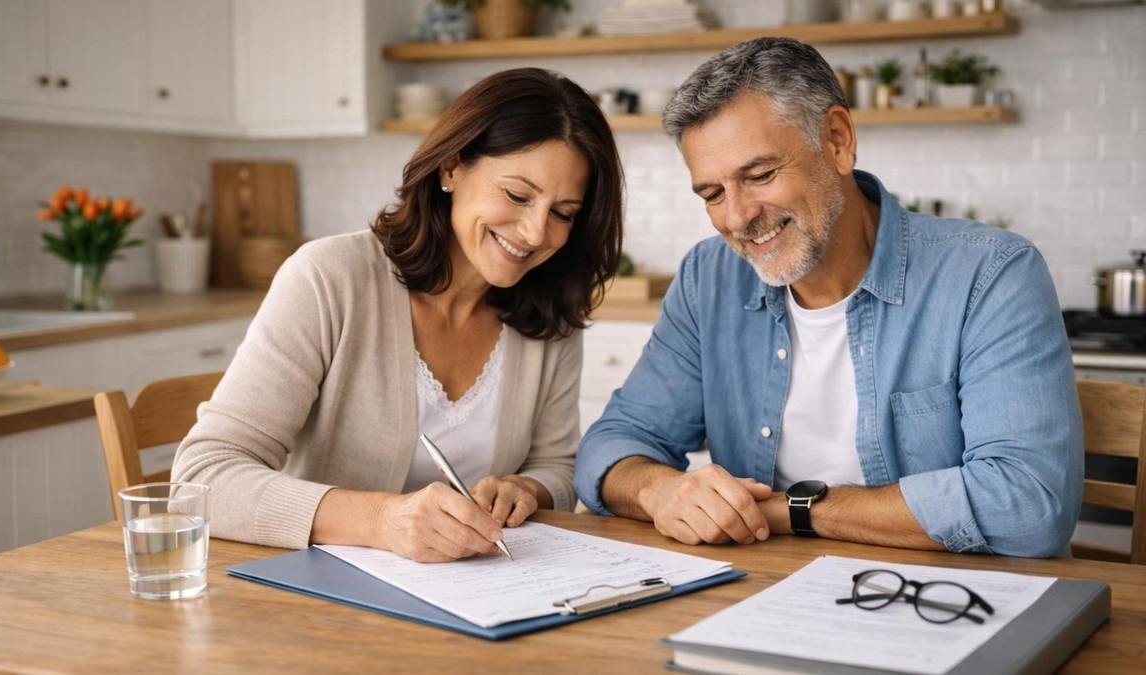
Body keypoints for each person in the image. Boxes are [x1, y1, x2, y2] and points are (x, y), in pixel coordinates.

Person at [575, 38, 1082, 558]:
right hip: (764, 594)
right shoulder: (709, 278)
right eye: (712, 194)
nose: (737, 218)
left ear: (837, 141)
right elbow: (609, 448)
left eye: (760, 175)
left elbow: (1027, 506)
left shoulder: (990, 274)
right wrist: (661, 491)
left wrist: (788, 511)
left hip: (959, 602)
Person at [174, 68, 624, 562]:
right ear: (451, 168)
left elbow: (557, 465)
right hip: (320, 604)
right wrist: (381, 521)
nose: (537, 233)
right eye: (517, 196)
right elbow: (203, 477)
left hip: (479, 602)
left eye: (563, 213)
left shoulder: (550, 311)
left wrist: (527, 489)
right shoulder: (330, 279)